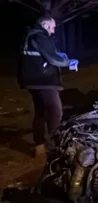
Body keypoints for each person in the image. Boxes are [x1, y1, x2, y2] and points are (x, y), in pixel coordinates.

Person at [17, 16, 79, 159]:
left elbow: (44, 55)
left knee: (41, 112)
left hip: (32, 80)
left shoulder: (30, 35)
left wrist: (59, 55)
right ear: (45, 25)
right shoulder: (40, 36)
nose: (53, 31)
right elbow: (52, 59)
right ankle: (54, 145)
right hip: (44, 80)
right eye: (52, 27)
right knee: (55, 111)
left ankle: (39, 146)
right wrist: (69, 62)